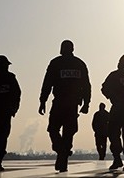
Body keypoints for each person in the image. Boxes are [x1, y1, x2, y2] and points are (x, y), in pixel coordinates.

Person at [39, 40, 91, 172]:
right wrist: (86, 103)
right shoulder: (79, 64)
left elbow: (47, 83)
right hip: (71, 104)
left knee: (54, 129)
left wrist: (43, 101)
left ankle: (61, 151)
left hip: (61, 102)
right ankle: (63, 152)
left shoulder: (56, 63)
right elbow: (86, 86)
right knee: (67, 132)